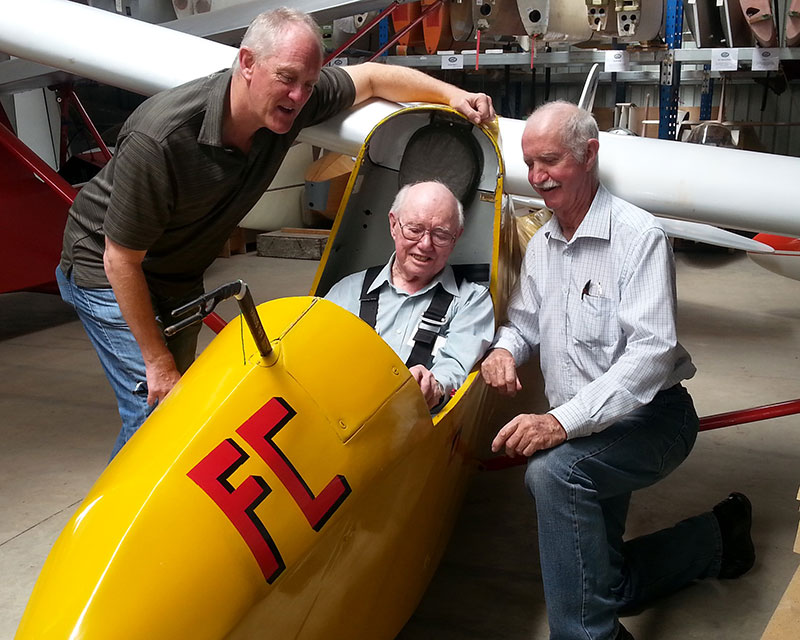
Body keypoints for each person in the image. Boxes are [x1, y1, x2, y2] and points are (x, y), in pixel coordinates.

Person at [55, 8, 496, 459]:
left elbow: (372, 78)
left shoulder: (291, 100)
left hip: (177, 272)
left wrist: (453, 94)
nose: (299, 95)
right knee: (158, 410)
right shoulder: (162, 139)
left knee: (178, 414)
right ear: (246, 63)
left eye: (309, 82)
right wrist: (158, 363)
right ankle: (124, 527)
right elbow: (119, 259)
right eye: (287, 78)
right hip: (109, 268)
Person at [480, 101, 755, 640]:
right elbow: (524, 324)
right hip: (586, 427)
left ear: (590, 155)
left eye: (550, 161)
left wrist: (560, 424)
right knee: (600, 584)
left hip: (653, 419)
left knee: (552, 475)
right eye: (529, 163)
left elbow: (652, 353)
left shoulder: (639, 237)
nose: (537, 177)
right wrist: (505, 349)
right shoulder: (541, 246)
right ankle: (718, 539)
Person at [325, 181, 494, 411]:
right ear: (393, 225)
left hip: (416, 431)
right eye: (414, 230)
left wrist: (433, 387)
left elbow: (454, 367)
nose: (425, 245)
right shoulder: (347, 291)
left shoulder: (471, 301)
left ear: (457, 237)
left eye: (441, 235)